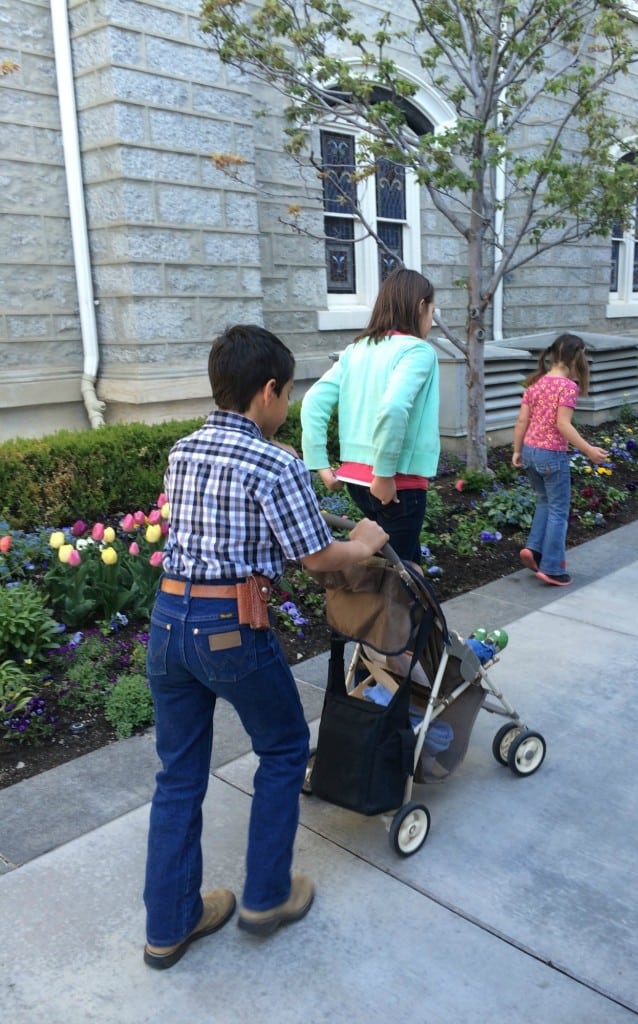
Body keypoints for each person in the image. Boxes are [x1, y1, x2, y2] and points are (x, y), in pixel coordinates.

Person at [142, 324, 388, 970]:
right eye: (289, 395)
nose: (288, 408)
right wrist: (363, 543)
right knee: (281, 748)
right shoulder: (274, 461)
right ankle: (265, 898)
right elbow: (316, 558)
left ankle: (168, 927)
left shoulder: (183, 449)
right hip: (229, 627)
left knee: (178, 775)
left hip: (168, 621)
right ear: (269, 391)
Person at [300, 268, 440, 565]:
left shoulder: (355, 350)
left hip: (357, 482)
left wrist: (321, 466)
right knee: (395, 582)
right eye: (432, 311)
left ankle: (423, 612)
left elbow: (313, 400)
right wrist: (385, 474)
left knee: (404, 569)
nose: (432, 319)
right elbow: (392, 408)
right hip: (397, 484)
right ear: (420, 307)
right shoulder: (417, 351)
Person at [511, 333, 609, 587]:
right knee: (558, 509)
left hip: (531, 452)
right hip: (551, 455)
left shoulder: (536, 384)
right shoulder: (567, 387)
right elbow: (562, 425)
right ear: (577, 356)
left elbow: (522, 420)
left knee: (545, 501)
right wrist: (589, 450)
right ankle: (553, 567)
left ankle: (534, 550)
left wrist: (517, 450)